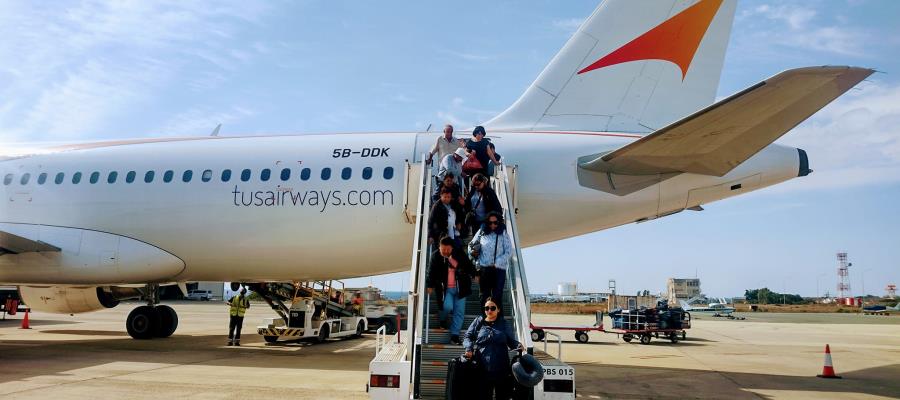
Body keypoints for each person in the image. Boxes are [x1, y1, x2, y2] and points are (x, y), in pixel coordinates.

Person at [463, 297, 524, 399]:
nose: (489, 311)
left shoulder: (504, 324)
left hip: (501, 368)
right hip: (481, 368)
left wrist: (518, 345)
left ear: (498, 309)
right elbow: (467, 337)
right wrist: (469, 348)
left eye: (492, 308)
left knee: (502, 396)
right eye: (487, 308)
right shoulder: (478, 322)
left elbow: (510, 341)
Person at [427, 236, 474, 344]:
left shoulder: (459, 253)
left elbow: (468, 266)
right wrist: (430, 285)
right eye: (443, 249)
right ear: (439, 247)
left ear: (452, 248)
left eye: (448, 249)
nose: (445, 252)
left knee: (459, 312)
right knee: (447, 306)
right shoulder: (435, 256)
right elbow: (431, 272)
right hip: (446, 289)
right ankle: (443, 319)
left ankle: (454, 335)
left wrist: (474, 274)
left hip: (461, 288)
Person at [468, 212, 512, 312]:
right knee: (484, 296)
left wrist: (497, 262)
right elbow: (470, 245)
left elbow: (509, 251)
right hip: (484, 269)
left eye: (495, 223)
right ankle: (484, 320)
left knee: (497, 296)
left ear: (499, 222)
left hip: (499, 269)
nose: (492, 225)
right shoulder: (482, 232)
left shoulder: (503, 233)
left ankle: (498, 322)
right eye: (490, 222)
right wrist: (472, 253)